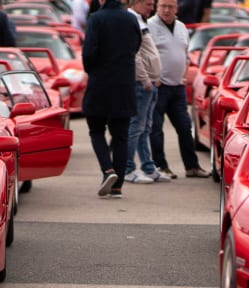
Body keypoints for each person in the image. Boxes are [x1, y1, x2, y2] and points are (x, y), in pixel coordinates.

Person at [82, 0, 140, 198]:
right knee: (121, 136)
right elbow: (136, 46)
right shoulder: (131, 19)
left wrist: (94, 71)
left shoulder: (96, 19)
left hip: (100, 84)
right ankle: (117, 186)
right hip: (124, 85)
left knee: (96, 130)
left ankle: (108, 170)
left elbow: (89, 53)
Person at [148, 0, 206, 178]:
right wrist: (151, 78)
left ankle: (192, 166)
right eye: (163, 6)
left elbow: (185, 54)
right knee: (156, 129)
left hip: (177, 87)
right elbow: (143, 54)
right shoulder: (149, 26)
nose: (166, 10)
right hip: (158, 86)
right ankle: (161, 166)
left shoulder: (181, 27)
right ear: (157, 7)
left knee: (185, 127)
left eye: (170, 7)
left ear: (176, 8)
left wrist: (184, 75)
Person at [124, 0, 162, 183]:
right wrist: (146, 79)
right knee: (136, 127)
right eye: (148, 4)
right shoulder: (133, 20)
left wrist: (155, 77)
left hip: (149, 81)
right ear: (136, 2)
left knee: (145, 127)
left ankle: (148, 166)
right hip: (141, 82)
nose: (152, 8)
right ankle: (128, 168)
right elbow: (135, 54)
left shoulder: (140, 19)